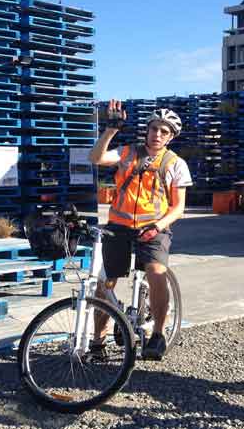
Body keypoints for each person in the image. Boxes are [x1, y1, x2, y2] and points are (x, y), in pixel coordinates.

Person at [87, 99, 193, 360]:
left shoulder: (175, 164)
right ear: (147, 130)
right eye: (154, 128)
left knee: (157, 273)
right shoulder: (127, 153)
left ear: (171, 137)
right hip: (119, 226)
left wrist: (157, 226)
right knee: (105, 284)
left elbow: (178, 208)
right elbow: (96, 158)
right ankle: (98, 343)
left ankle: (157, 334)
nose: (157, 134)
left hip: (154, 228)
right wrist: (111, 129)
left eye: (164, 131)